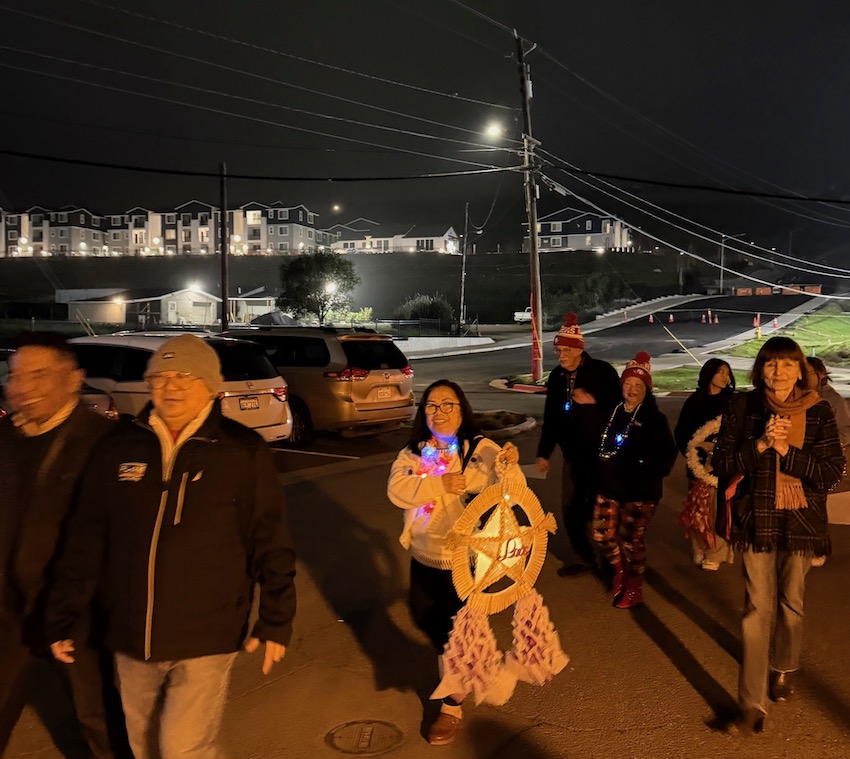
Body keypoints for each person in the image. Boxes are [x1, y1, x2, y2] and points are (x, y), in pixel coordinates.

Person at [45, 334, 297, 759]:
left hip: (207, 635)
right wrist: (63, 614)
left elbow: (269, 540)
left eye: (186, 375)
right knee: (141, 745)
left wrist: (276, 618)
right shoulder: (120, 447)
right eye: (161, 376)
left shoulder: (240, 452)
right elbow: (86, 538)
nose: (172, 386)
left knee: (183, 748)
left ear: (212, 387)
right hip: (130, 635)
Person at [0, 332, 127, 758]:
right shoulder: (6, 438)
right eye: (17, 375)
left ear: (74, 380)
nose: (24, 387)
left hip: (76, 611)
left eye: (40, 375)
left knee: (97, 716)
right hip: (10, 606)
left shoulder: (104, 443)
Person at [712, 337, 843, 736]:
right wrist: (762, 444)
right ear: (760, 369)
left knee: (791, 605)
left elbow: (831, 471)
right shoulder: (742, 407)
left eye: (788, 364)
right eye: (771, 364)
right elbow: (722, 463)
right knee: (756, 611)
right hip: (757, 521)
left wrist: (787, 450)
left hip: (801, 522)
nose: (779, 372)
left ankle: (783, 667)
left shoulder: (819, 411)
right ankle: (751, 704)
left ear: (800, 369)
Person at [387, 379, 524, 746]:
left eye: (448, 404)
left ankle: (452, 703)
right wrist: (440, 484)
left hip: (465, 562)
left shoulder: (481, 449)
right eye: (432, 405)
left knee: (458, 632)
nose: (440, 411)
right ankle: (481, 664)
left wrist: (509, 468)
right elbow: (397, 492)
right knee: (424, 617)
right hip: (424, 556)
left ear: (462, 410)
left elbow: (512, 492)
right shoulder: (415, 453)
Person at [535, 313, 621, 575]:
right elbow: (551, 417)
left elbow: (620, 408)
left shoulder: (602, 372)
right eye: (558, 349)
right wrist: (543, 453)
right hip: (572, 455)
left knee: (600, 509)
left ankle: (611, 560)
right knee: (571, 508)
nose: (560, 355)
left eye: (565, 350)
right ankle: (584, 557)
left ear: (578, 350)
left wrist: (594, 402)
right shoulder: (557, 378)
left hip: (600, 455)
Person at [592, 352, 677, 608]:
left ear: (646, 389)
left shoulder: (654, 419)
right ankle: (620, 570)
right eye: (628, 384)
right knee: (602, 535)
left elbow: (667, 456)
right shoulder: (614, 411)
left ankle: (635, 586)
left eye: (638, 386)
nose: (631, 389)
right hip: (609, 486)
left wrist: (644, 468)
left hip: (640, 491)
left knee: (631, 541)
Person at [674, 358, 737, 570]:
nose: (724, 376)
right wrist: (694, 450)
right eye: (720, 371)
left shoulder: (732, 402)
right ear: (709, 373)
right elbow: (682, 432)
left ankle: (717, 552)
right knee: (698, 509)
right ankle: (698, 546)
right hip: (698, 464)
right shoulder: (695, 401)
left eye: (727, 372)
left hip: (722, 466)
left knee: (719, 509)